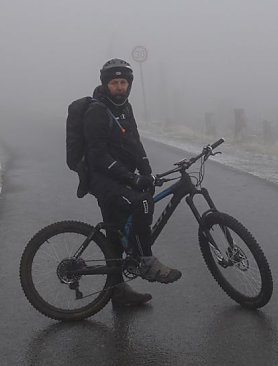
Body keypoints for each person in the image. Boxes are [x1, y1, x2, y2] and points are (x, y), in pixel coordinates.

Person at [83, 58, 182, 307]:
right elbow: (97, 156)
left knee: (117, 229)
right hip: (101, 177)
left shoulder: (125, 108)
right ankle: (146, 262)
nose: (119, 87)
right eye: (114, 82)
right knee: (140, 203)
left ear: (129, 84)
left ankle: (118, 292)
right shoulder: (97, 111)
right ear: (105, 84)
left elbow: (135, 143)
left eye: (123, 82)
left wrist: (147, 174)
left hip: (119, 174)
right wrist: (132, 178)